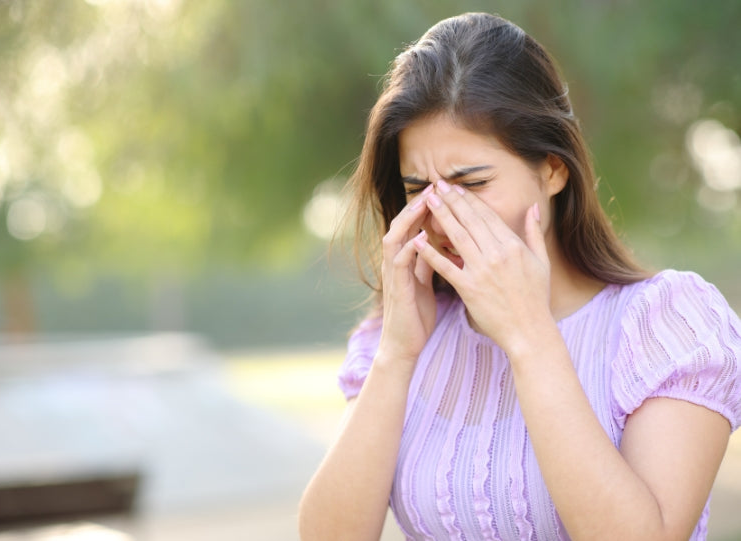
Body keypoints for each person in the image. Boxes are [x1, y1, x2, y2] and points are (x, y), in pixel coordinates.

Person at [298, 12, 741, 541]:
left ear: (553, 170)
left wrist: (529, 336)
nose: (443, 218)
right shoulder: (399, 339)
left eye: (472, 183)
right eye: (419, 189)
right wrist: (396, 355)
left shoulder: (668, 327)